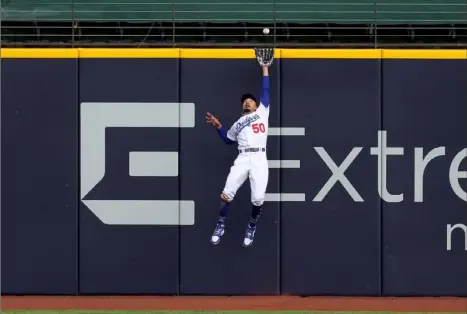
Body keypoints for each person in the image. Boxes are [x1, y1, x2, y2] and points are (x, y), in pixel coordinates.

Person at [205, 48, 274, 247]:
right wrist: (218, 127)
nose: (247, 102)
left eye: (250, 101)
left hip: (260, 159)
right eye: (245, 101)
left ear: (255, 105)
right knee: (226, 194)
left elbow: (265, 91)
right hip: (243, 158)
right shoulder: (237, 124)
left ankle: (252, 225)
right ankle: (220, 224)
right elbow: (228, 140)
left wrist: (265, 68)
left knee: (258, 198)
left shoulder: (262, 112)